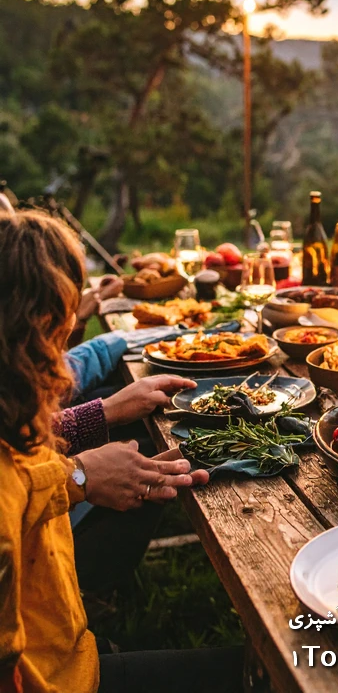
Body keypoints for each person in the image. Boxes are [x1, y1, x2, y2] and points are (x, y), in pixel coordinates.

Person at [0, 210, 243, 693]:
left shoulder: (14, 415)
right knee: (256, 671)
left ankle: (93, 622)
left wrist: (98, 431)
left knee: (152, 471)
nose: (74, 330)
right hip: (56, 680)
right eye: (67, 321)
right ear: (38, 324)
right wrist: (80, 478)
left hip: (60, 650)